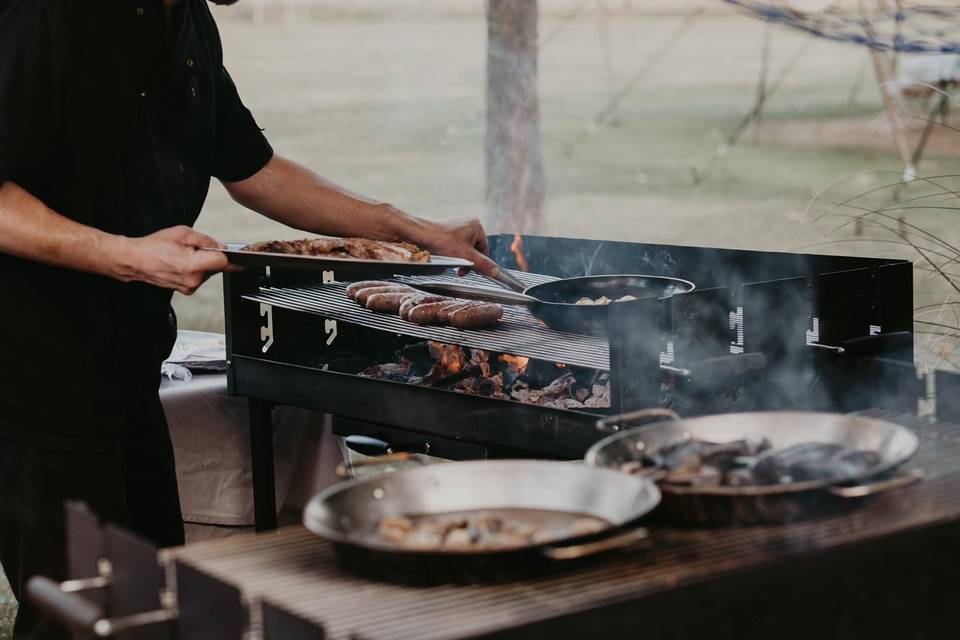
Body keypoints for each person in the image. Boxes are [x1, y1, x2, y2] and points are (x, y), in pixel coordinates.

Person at [0, 0, 498, 636]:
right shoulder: (46, 16)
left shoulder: (186, 20)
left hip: (125, 367)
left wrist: (412, 229)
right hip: (32, 375)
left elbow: (253, 170)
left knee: (150, 605)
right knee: (75, 616)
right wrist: (129, 258)